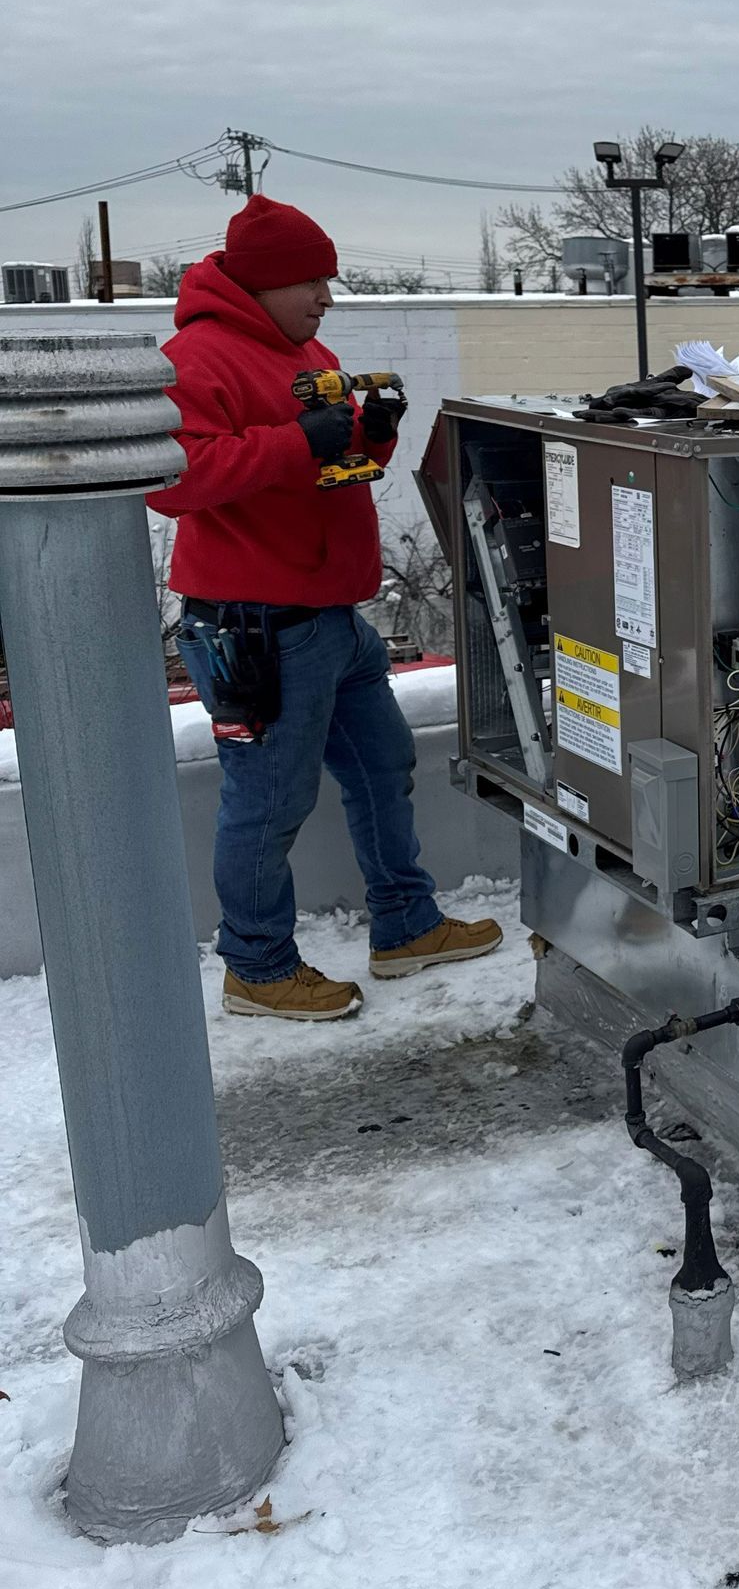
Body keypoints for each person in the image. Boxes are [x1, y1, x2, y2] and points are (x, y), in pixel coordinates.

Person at [148, 194, 500, 1020]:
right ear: (265, 282)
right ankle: (257, 969)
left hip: (331, 618)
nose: (327, 297)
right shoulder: (195, 359)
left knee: (383, 768)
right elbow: (176, 480)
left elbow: (331, 460)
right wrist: (300, 439)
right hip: (253, 627)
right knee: (268, 804)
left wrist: (370, 432)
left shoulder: (303, 347)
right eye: (312, 280)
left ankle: (405, 923)